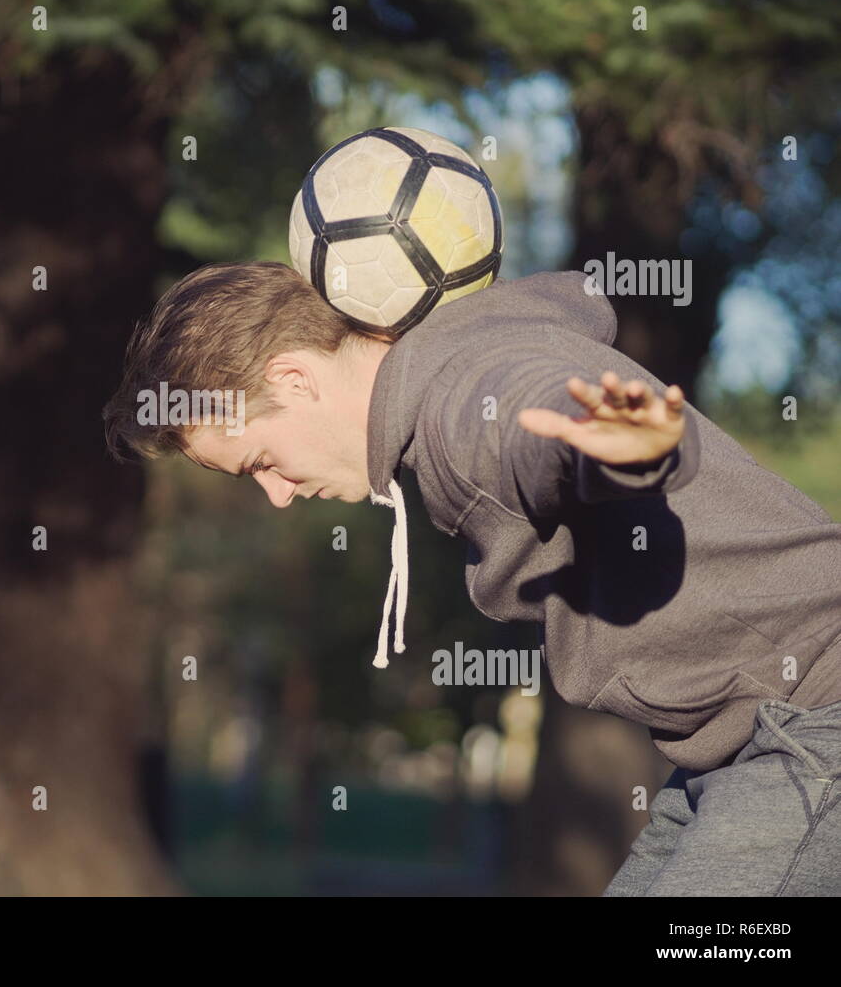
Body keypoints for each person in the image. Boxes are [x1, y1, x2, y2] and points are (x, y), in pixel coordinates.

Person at [102, 260, 841, 896]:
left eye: (260, 463)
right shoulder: (461, 369)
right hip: (737, 746)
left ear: (293, 379)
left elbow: (527, 421)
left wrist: (614, 451)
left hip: (815, 720)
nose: (278, 494)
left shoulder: (459, 403)